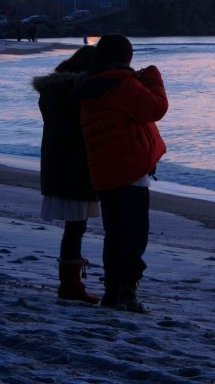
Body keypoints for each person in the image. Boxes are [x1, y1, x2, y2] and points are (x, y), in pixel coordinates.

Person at [74, 34, 168, 313]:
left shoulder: (90, 85)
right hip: (129, 169)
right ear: (125, 57)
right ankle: (127, 292)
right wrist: (152, 76)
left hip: (103, 169)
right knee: (134, 236)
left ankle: (113, 292)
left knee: (114, 234)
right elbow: (156, 108)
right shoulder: (120, 84)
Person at [33, 45, 102, 304]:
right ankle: (70, 284)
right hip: (74, 163)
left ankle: (70, 282)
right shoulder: (74, 94)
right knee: (75, 227)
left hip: (57, 162)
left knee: (74, 227)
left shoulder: (53, 92)